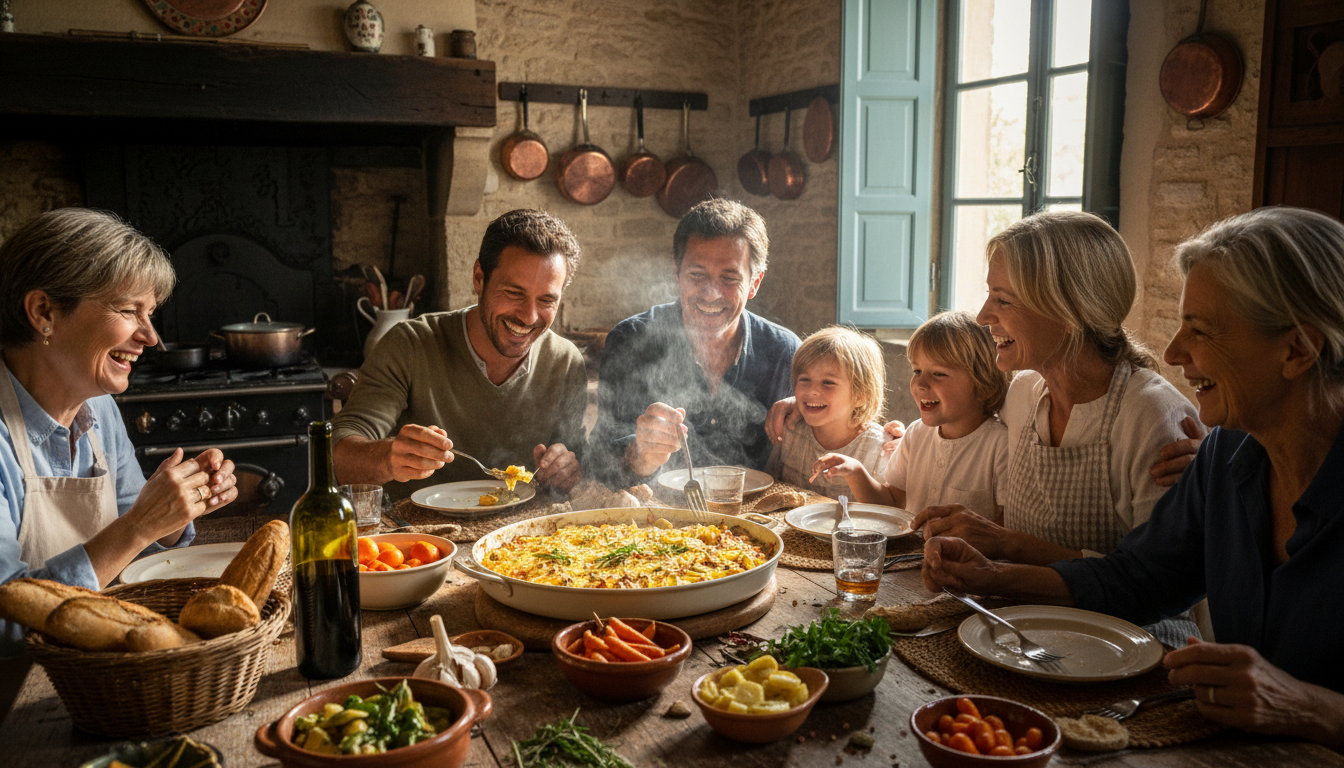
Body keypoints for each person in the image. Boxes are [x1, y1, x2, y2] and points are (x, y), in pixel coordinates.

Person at [922, 206, 1344, 748]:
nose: (1172, 351)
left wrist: (1313, 708)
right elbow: (1138, 579)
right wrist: (993, 576)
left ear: (1297, 350)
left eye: (1200, 330)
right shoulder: (1225, 454)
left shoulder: (1174, 427)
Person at [0, 208, 239, 658]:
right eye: (130, 311)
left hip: (101, 674)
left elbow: (136, 558)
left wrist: (174, 512)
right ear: (44, 311)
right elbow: (3, 621)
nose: (150, 337)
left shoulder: (98, 409)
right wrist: (139, 524)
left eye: (150, 314)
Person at [332, 209, 588, 499]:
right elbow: (336, 457)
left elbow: (579, 464)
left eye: (546, 300)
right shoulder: (410, 345)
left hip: (524, 526)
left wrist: (568, 468)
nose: (529, 316)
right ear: (479, 278)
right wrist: (387, 458)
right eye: (514, 293)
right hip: (412, 526)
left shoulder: (565, 362)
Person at [588, 199, 801, 488]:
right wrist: (639, 456)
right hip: (653, 512)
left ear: (755, 282)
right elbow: (599, 460)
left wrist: (812, 413)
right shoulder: (631, 340)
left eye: (729, 278)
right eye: (696, 275)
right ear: (676, 271)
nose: (711, 294)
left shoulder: (785, 352)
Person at [813, 311, 1010, 520]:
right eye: (917, 371)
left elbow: (1005, 527)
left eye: (939, 374)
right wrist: (856, 472)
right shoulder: (916, 433)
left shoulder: (1000, 446)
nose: (920, 384)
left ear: (984, 384)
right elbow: (893, 503)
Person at [763, 326, 887, 498]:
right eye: (804, 379)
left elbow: (886, 509)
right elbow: (769, 484)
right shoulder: (790, 430)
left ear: (860, 395)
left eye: (828, 382)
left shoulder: (880, 450)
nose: (812, 390)